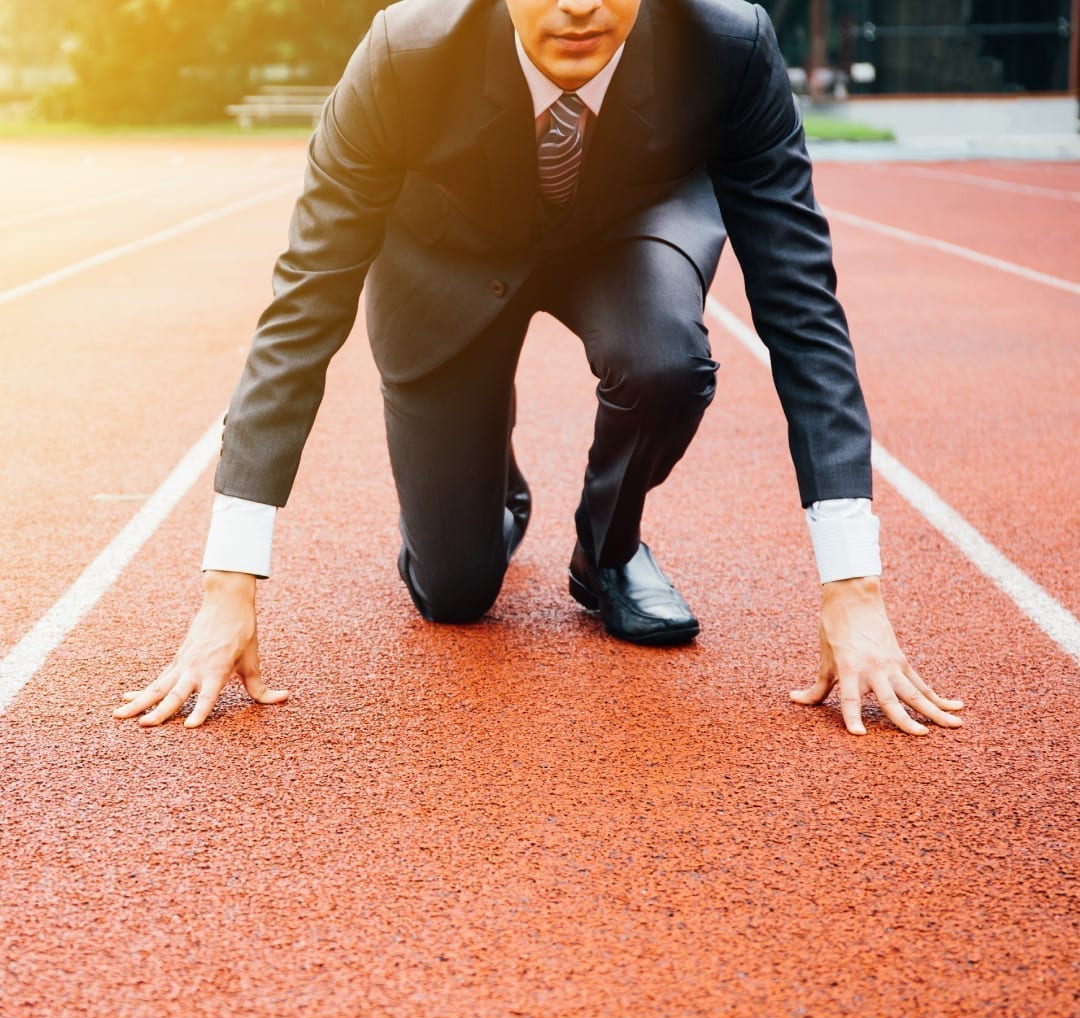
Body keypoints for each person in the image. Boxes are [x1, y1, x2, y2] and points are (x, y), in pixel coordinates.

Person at [115, 0, 964, 736]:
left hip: (623, 231)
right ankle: (493, 480)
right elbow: (304, 304)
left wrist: (852, 584)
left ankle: (607, 552)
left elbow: (800, 305)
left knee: (665, 360)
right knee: (453, 594)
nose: (577, 9)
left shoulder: (727, 46)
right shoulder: (406, 52)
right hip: (447, 260)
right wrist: (229, 581)